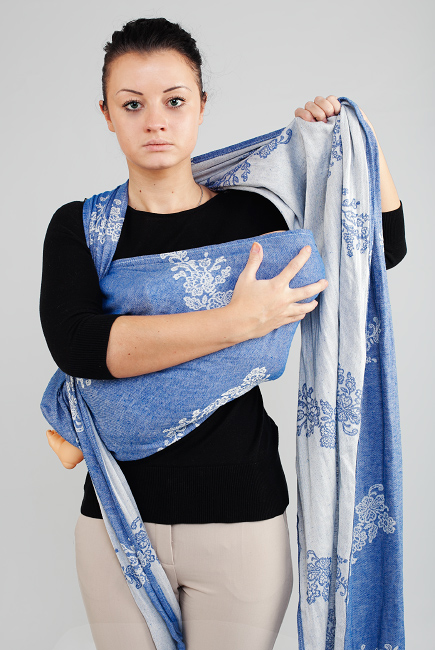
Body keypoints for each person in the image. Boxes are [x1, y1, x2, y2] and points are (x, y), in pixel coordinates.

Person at [40, 17, 407, 650]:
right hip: (117, 517)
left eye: (174, 101)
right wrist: (237, 322)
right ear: (107, 115)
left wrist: (353, 140)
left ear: (202, 106)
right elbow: (81, 347)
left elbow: (380, 249)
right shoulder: (81, 228)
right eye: (133, 104)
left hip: (241, 521)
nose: (155, 121)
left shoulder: (257, 214)